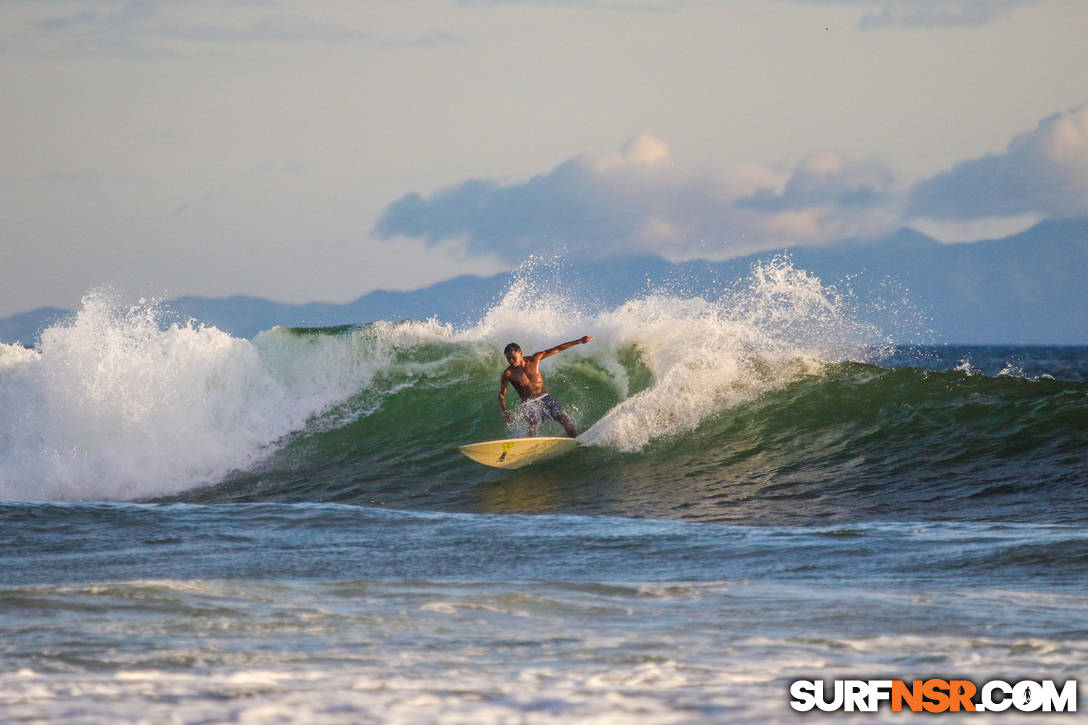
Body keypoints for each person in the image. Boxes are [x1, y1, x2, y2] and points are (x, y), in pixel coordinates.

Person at [498, 336, 593, 438]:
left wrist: (579, 341)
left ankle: (576, 441)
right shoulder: (508, 373)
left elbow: (558, 348)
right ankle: (528, 447)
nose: (511, 360)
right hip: (528, 403)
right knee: (534, 423)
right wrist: (505, 411)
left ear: (520, 353)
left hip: (545, 398)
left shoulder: (535, 359)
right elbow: (502, 396)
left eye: (513, 357)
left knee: (564, 420)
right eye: (508, 359)